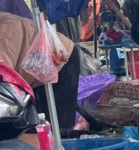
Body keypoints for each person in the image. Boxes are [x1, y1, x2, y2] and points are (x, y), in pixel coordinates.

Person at [0, 12, 80, 140]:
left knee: (52, 125)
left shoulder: (4, 33)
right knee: (35, 126)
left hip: (60, 60)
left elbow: (5, 78)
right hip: (32, 70)